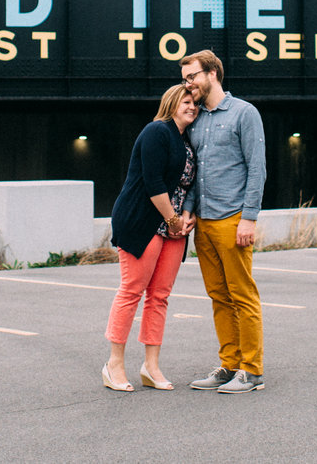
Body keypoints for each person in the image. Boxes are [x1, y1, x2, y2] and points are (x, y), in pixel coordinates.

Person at [180, 49, 267, 393]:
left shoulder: (245, 113)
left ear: (212, 73)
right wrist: (188, 209)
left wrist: (249, 218)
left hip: (233, 220)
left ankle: (252, 370)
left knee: (242, 295)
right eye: (184, 78)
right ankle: (230, 365)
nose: (188, 84)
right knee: (219, 296)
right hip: (204, 222)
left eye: (192, 76)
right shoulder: (196, 119)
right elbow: (195, 171)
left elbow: (257, 168)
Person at [103, 84, 197, 392]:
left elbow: (184, 188)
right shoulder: (157, 131)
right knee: (132, 290)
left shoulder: (186, 142)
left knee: (160, 296)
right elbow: (153, 181)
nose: (192, 107)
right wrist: (171, 218)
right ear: (172, 102)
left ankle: (151, 366)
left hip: (172, 228)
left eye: (195, 103)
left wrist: (185, 216)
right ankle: (113, 364)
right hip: (143, 222)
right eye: (186, 101)